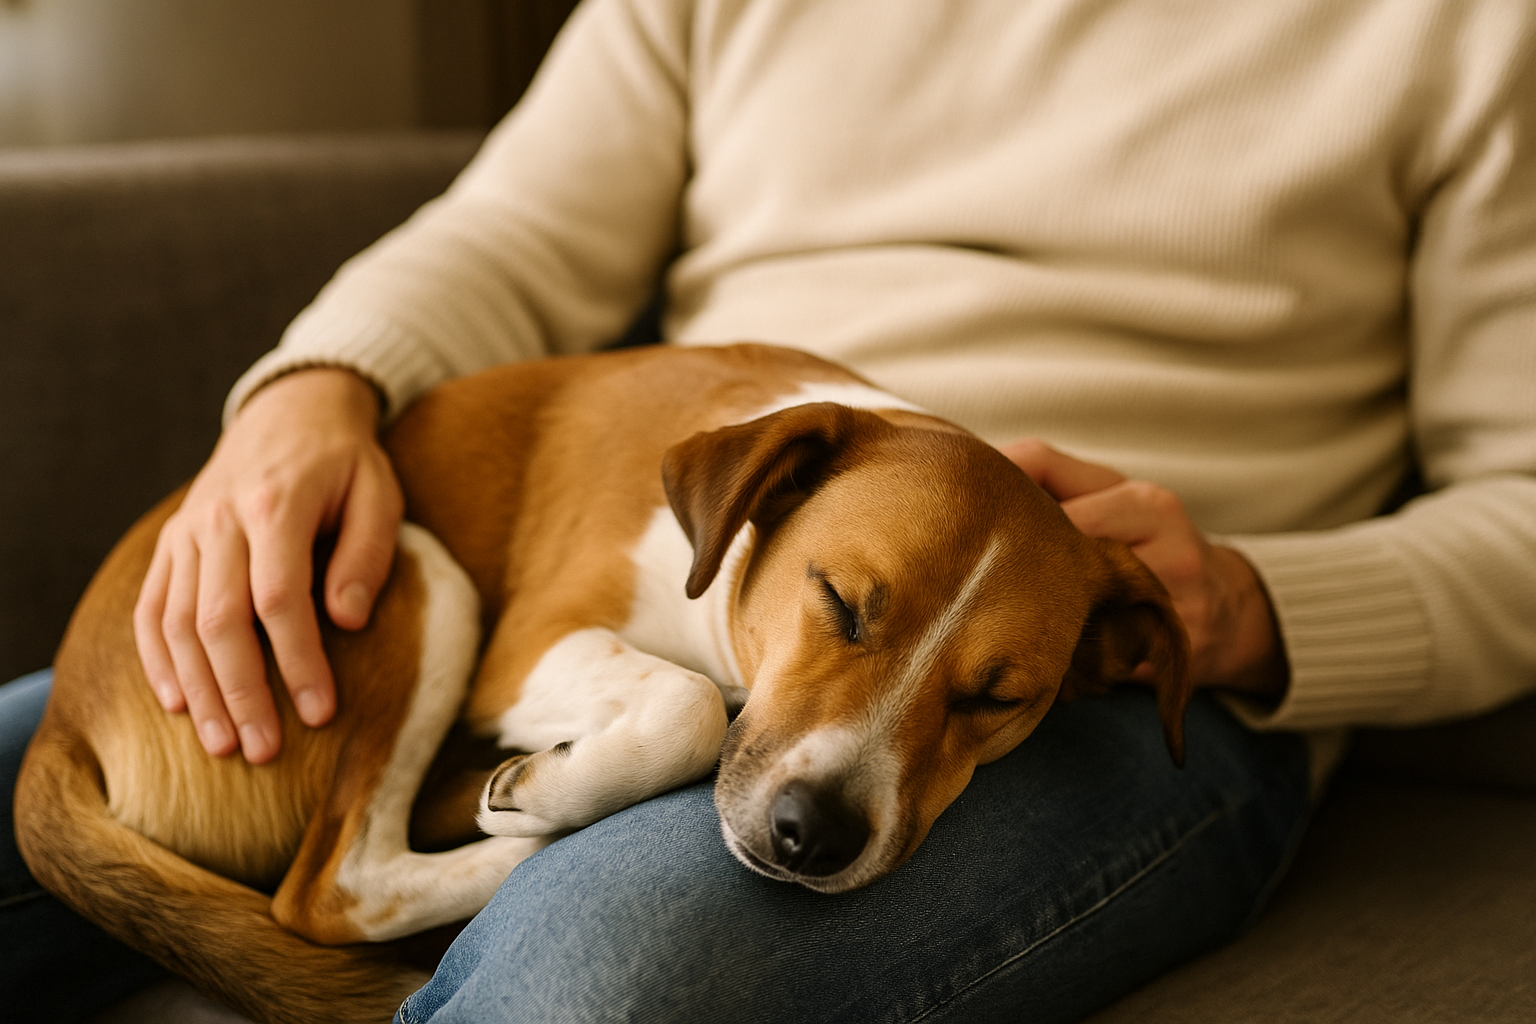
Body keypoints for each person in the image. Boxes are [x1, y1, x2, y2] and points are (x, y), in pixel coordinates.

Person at [5, 0, 1535, 1020]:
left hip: (1136, 684)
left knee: (603, 979)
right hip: (770, 521)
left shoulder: (1473, 29)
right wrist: (311, 388)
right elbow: (516, 232)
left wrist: (1256, 608)